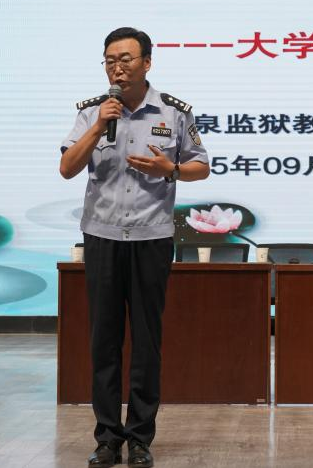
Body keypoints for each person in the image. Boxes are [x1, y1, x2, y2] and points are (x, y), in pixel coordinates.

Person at [59, 27, 210, 467]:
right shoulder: (92, 112)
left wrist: (170, 169)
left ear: (147, 62)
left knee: (146, 341)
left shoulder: (174, 112)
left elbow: (201, 166)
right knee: (103, 341)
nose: (117, 68)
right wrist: (98, 127)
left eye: (125, 59)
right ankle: (107, 438)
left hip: (151, 238)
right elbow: (67, 167)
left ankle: (140, 437)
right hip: (103, 237)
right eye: (110, 60)